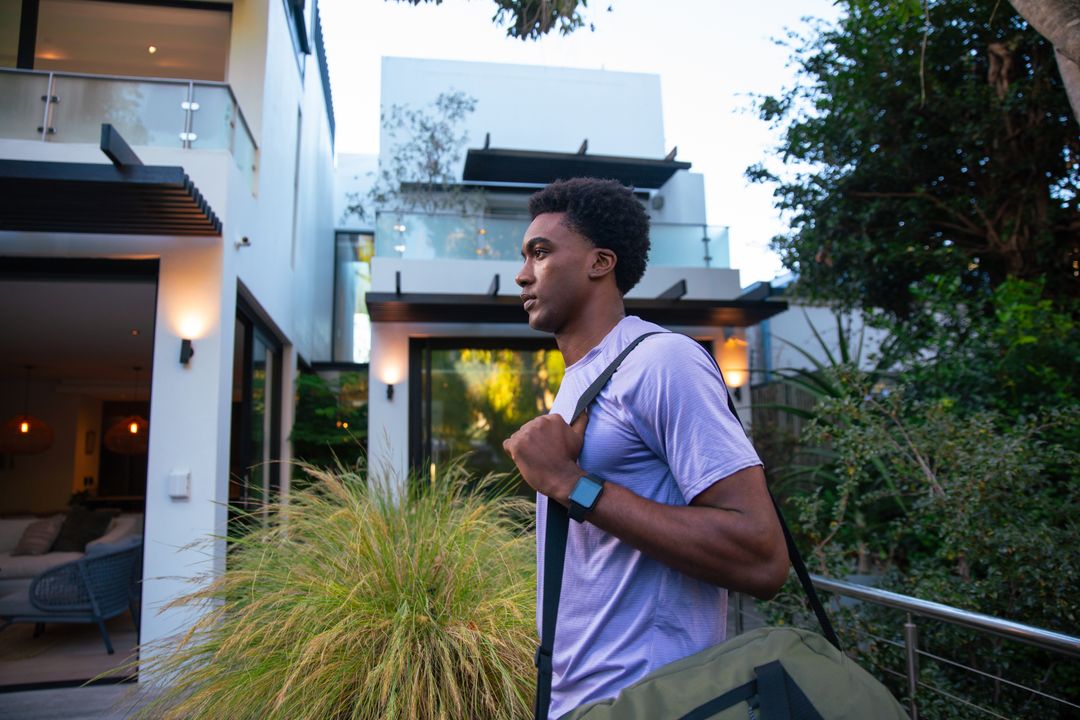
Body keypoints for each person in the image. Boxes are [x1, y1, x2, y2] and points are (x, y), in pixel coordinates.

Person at [502, 177, 790, 719]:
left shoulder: (662, 362)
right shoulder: (580, 382)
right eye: (524, 256)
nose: (521, 274)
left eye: (540, 253)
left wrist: (570, 483)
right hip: (578, 700)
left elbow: (763, 557)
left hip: (651, 699)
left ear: (600, 262)